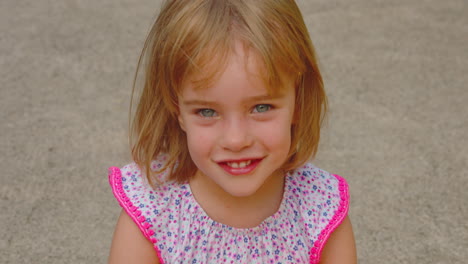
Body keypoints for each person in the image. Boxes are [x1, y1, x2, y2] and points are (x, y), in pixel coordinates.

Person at [107, 0, 356, 263]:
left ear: (298, 100)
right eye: (207, 112)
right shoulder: (154, 209)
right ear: (176, 108)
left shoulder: (319, 209)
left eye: (261, 107)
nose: (236, 140)